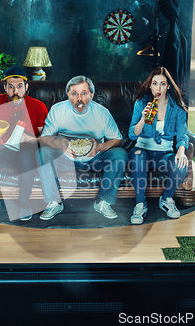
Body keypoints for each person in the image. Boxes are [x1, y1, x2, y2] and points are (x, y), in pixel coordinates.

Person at [36, 76, 128, 221]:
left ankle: (104, 203)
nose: (79, 98)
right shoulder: (58, 110)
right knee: (43, 152)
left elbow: (118, 139)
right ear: (68, 95)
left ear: (91, 95)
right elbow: (44, 138)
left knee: (120, 154)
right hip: (65, 158)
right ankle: (54, 202)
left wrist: (100, 147)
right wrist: (58, 144)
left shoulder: (102, 113)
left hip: (94, 158)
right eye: (74, 93)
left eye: (84, 93)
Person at [0, 66, 48, 221]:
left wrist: (28, 139)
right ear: (5, 87)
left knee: (27, 159)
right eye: (11, 87)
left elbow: (47, 139)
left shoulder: (38, 106)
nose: (16, 92)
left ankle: (23, 204)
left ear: (26, 87)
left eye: (20, 86)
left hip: (27, 150)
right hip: (4, 149)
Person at [127, 66, 189, 225]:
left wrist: (181, 152)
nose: (158, 88)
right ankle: (141, 203)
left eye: (162, 84)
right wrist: (142, 118)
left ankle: (166, 199)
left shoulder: (177, 108)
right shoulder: (141, 103)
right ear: (150, 86)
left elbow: (182, 135)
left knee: (182, 165)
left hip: (164, 154)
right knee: (138, 158)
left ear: (168, 86)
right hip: (142, 151)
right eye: (155, 83)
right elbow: (132, 134)